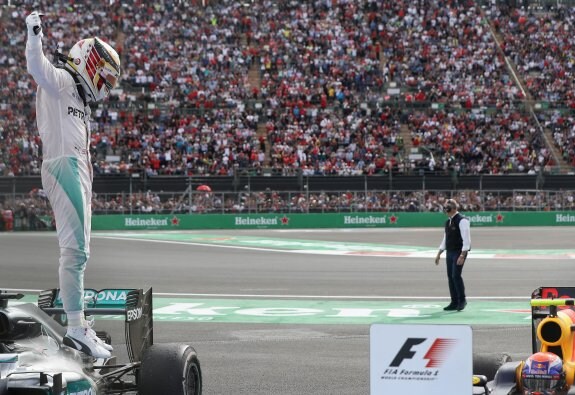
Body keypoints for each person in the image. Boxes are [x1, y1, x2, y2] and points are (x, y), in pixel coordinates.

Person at [25, 11, 120, 358]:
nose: (105, 87)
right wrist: (34, 34)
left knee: (79, 252)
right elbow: (38, 67)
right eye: (105, 77)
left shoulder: (76, 98)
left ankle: (79, 325)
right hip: (65, 167)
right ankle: (77, 328)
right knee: (75, 251)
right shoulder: (62, 82)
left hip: (75, 168)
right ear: (91, 64)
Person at [434, 198, 471, 311]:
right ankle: (454, 302)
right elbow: (446, 239)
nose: (445, 209)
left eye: (447, 207)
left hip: (458, 252)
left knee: (456, 275)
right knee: (450, 277)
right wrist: (439, 252)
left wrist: (462, 255)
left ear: (454, 208)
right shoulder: (448, 222)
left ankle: (462, 300)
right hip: (450, 252)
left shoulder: (462, 220)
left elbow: (467, 240)